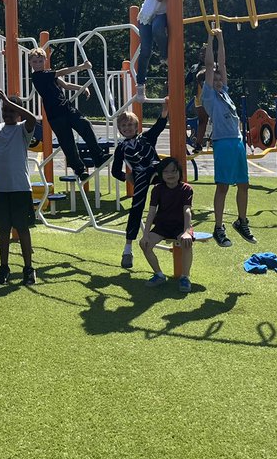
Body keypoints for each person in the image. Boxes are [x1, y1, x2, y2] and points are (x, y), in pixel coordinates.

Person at [202, 27, 259, 247]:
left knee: (244, 184)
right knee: (223, 186)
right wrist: (209, 37)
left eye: (219, 80)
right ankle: (218, 227)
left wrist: (222, 39)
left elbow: (221, 64)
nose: (218, 81)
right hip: (223, 143)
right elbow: (211, 65)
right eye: (214, 79)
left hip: (236, 142)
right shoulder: (209, 96)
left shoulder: (224, 92)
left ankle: (241, 221)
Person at [0, 90, 40, 285]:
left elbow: (32, 118)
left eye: (11, 111)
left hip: (21, 188)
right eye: (4, 111)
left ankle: (29, 268)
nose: (7, 114)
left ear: (18, 114)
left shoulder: (23, 129)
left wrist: (8, 100)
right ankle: (4, 267)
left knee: (23, 229)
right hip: (0, 189)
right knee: (3, 230)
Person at [28, 48, 103, 181]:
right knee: (67, 142)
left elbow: (66, 85)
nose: (38, 64)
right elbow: (62, 72)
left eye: (40, 61)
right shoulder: (37, 77)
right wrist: (82, 66)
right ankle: (79, 170)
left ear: (45, 60)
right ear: (30, 63)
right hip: (55, 115)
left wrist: (81, 88)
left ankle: (98, 156)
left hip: (66, 108)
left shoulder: (49, 73)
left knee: (85, 124)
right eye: (35, 62)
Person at [132, 0, 193, 104]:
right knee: (145, 51)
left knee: (158, 28)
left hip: (162, 14)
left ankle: (164, 55)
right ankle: (140, 85)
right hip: (147, 14)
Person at [111, 106, 168, 269]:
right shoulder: (121, 148)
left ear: (137, 127)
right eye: (124, 126)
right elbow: (115, 171)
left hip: (156, 170)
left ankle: (173, 215)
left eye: (130, 125)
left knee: (172, 171)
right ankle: (127, 249)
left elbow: (158, 127)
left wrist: (164, 113)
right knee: (136, 206)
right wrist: (126, 176)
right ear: (120, 130)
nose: (127, 128)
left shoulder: (146, 137)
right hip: (141, 174)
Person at [138, 158, 196, 292]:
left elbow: (187, 210)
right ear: (161, 174)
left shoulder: (186, 189)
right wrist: (145, 235)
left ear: (179, 172)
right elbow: (151, 212)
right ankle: (159, 274)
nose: (170, 174)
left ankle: (185, 277)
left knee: (186, 243)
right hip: (162, 226)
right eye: (166, 172)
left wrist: (187, 231)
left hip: (180, 226)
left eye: (174, 171)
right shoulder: (157, 189)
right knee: (144, 244)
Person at [190, 66, 209, 153]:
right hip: (200, 97)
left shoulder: (212, 67)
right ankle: (199, 143)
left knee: (203, 121)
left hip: (204, 97)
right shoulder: (196, 67)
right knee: (202, 121)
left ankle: (199, 143)